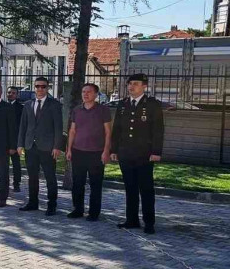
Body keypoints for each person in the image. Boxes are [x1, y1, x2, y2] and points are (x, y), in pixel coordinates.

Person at [111, 73, 164, 234]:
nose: (131, 86)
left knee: (146, 189)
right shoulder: (123, 104)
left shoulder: (152, 105)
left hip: (144, 154)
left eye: (135, 83)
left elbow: (158, 130)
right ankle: (132, 219)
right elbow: (117, 129)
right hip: (126, 153)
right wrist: (113, 150)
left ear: (144, 86)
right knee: (130, 188)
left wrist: (156, 151)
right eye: (129, 84)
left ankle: (149, 222)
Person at [17, 77, 63, 215]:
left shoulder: (54, 105)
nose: (40, 89)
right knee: (32, 177)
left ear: (47, 88)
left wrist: (57, 146)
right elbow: (23, 126)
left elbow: (58, 128)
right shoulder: (28, 104)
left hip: (48, 147)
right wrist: (20, 144)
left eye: (43, 86)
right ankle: (33, 202)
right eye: (37, 86)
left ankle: (52, 205)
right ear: (34, 87)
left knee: (50, 177)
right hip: (31, 146)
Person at [66, 83, 112, 221]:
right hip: (78, 152)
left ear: (96, 94)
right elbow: (72, 130)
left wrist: (106, 151)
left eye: (89, 92)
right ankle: (78, 209)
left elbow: (108, 132)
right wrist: (69, 149)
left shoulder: (103, 110)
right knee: (77, 183)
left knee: (95, 184)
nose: (85, 94)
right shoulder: (77, 110)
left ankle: (94, 213)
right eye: (83, 91)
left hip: (96, 153)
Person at [6, 87, 23, 191]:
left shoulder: (21, 108)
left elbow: (21, 126)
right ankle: (3, 181)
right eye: (9, 92)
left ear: (17, 95)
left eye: (13, 93)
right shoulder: (2, 106)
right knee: (3, 163)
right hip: (3, 139)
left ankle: (16, 183)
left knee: (16, 163)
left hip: (16, 140)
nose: (10, 94)